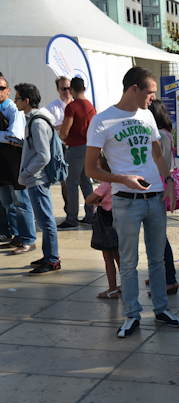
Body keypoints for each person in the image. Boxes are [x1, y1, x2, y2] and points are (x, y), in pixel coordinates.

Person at [85, 66, 179, 338]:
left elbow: (157, 155)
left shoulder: (148, 115)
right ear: (133, 89)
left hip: (154, 198)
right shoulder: (103, 121)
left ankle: (162, 309)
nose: (153, 98)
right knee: (128, 261)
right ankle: (132, 315)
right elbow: (91, 169)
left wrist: (169, 180)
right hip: (126, 201)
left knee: (157, 259)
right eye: (149, 92)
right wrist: (122, 179)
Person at [14, 83, 60, 273]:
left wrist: (26, 174)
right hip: (36, 178)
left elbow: (43, 155)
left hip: (37, 179)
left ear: (26, 101)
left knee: (46, 220)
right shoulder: (33, 119)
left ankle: (52, 259)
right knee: (43, 219)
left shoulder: (38, 122)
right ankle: (48, 256)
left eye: (17, 98)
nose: (14, 101)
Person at [0, 74, 36, 254]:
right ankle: (16, 236)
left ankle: (29, 238)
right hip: (2, 164)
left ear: (7, 89)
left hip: (15, 163)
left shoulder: (13, 110)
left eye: (1, 88)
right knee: (7, 202)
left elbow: (14, 136)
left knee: (21, 202)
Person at [148, 99, 179, 295]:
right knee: (156, 237)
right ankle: (161, 275)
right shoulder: (165, 133)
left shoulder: (161, 136)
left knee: (159, 238)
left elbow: (161, 161)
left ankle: (169, 278)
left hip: (158, 188)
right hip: (157, 186)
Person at [58, 77, 96, 229]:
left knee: (71, 184)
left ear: (72, 90)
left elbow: (65, 131)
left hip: (75, 148)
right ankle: (90, 215)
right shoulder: (90, 106)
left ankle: (72, 218)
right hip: (89, 147)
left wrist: (60, 135)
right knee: (86, 182)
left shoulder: (71, 107)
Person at [85, 156, 120, 298]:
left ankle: (112, 288)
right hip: (118, 219)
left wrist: (96, 199)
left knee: (108, 257)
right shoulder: (118, 180)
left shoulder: (106, 184)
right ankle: (126, 285)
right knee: (119, 256)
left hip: (105, 222)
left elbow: (89, 199)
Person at [44, 76, 72, 218]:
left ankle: (89, 213)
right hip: (61, 147)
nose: (67, 91)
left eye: (69, 87)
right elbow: (48, 127)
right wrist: (67, 124)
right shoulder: (52, 107)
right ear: (58, 90)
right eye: (63, 88)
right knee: (65, 182)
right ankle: (69, 211)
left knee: (83, 180)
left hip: (77, 146)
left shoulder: (77, 103)